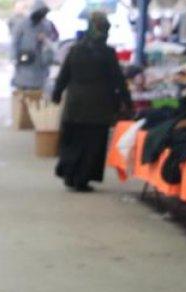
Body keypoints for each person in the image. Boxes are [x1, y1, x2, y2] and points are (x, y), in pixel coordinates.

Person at [52, 11, 132, 193]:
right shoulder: (107, 53)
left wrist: (57, 94)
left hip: (75, 104)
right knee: (92, 144)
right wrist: (127, 101)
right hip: (99, 106)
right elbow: (118, 80)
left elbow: (64, 75)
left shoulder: (75, 50)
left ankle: (70, 176)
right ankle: (83, 179)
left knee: (73, 140)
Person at [11, 0, 57, 92]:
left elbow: (54, 39)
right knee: (23, 86)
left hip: (40, 63)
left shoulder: (47, 24)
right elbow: (15, 41)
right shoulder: (22, 24)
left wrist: (45, 40)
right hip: (25, 59)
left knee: (38, 90)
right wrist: (14, 57)